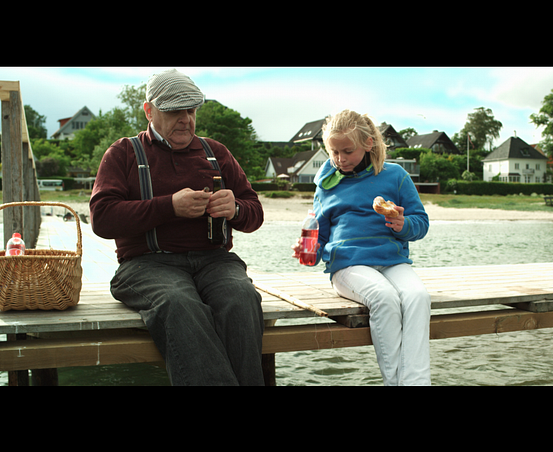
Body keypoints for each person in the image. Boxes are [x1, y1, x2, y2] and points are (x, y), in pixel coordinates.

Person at [90, 69, 265, 385]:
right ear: (149, 110)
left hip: (215, 261)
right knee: (179, 303)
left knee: (241, 297)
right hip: (146, 265)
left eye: (191, 109)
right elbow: (102, 218)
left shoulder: (217, 152)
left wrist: (235, 209)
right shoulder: (123, 153)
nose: (185, 118)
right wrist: (168, 206)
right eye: (174, 110)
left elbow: (255, 213)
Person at [292, 109, 431, 385]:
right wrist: (308, 253)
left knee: (418, 297)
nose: (340, 159)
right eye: (334, 152)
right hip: (347, 265)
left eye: (347, 151)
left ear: (368, 143)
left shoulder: (396, 176)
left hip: (392, 260)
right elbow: (319, 236)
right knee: (385, 298)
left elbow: (421, 223)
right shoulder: (326, 185)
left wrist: (403, 225)